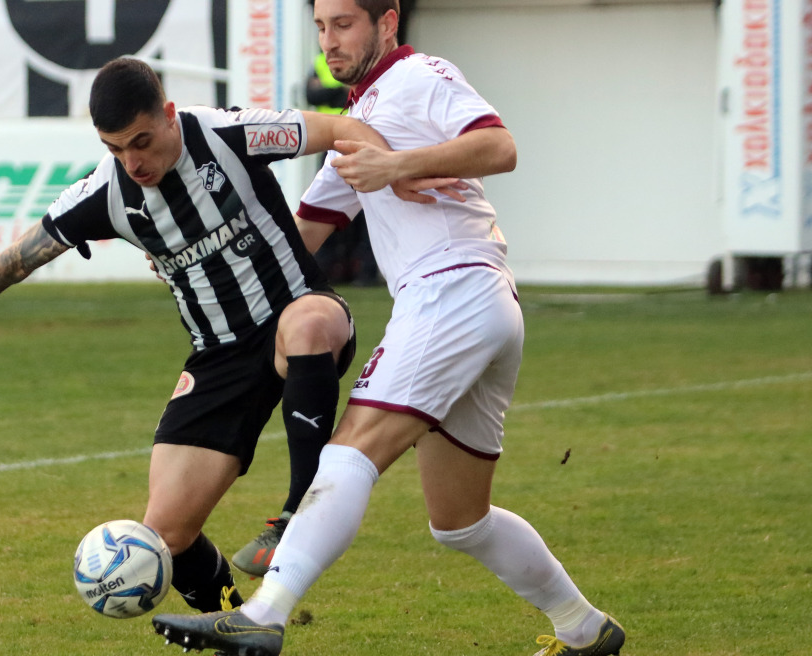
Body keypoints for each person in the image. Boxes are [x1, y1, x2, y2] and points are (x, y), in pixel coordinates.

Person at [151, 2, 626, 656]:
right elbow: (301, 237)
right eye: (320, 28)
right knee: (459, 521)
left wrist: (396, 167)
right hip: (476, 304)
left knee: (351, 447)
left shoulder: (419, 76)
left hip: (452, 289)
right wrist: (198, 248)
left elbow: (500, 146)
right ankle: (584, 628)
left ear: (388, 19)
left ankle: (266, 614)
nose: (330, 41)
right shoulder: (357, 120)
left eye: (344, 23)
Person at [0, 57, 396, 617]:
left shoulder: (228, 132)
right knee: (164, 536)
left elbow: (339, 127)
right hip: (218, 358)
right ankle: (236, 629)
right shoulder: (107, 193)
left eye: (141, 141)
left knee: (307, 324)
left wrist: (395, 172)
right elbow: (15, 261)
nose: (132, 161)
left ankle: (297, 516)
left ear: (168, 115)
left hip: (300, 315)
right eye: (115, 148)